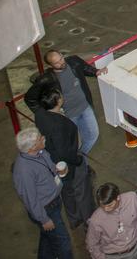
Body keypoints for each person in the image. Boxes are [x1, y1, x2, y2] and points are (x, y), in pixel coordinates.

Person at [35, 91, 95, 228]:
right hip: (69, 164)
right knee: (82, 192)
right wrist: (78, 160)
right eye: (60, 95)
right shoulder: (59, 125)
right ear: (58, 102)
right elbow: (64, 152)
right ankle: (90, 221)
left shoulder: (40, 114)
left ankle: (74, 219)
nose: (62, 96)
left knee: (67, 191)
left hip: (54, 163)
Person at [11, 128, 73, 259]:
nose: (43, 137)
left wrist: (59, 173)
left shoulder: (40, 152)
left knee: (48, 238)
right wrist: (44, 219)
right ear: (32, 147)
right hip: (46, 210)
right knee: (63, 244)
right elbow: (30, 199)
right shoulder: (24, 171)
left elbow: (49, 168)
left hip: (54, 203)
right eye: (40, 138)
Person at [44, 50, 102, 155]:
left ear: (62, 55)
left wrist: (96, 71)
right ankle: (75, 161)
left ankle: (79, 159)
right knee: (69, 143)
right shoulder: (48, 79)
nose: (61, 62)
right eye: (56, 63)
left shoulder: (73, 61)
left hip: (85, 107)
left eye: (61, 58)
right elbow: (32, 97)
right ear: (50, 65)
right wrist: (43, 111)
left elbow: (85, 68)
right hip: (68, 115)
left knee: (93, 135)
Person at [86, 183, 137, 259]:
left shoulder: (132, 198)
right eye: (102, 206)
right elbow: (92, 244)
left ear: (118, 197)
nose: (106, 209)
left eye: (109, 205)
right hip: (116, 255)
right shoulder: (96, 220)